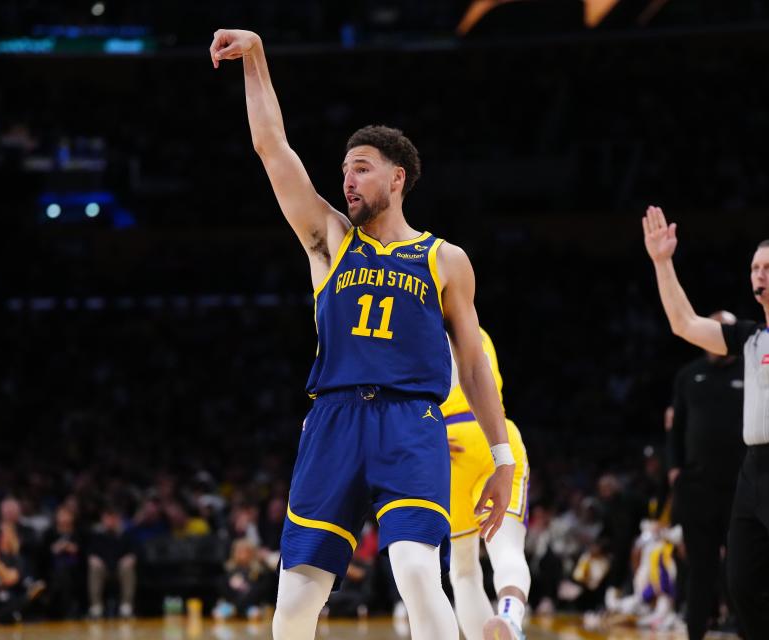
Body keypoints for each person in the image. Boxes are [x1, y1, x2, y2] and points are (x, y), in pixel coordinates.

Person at [208, 28, 515, 640]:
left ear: (398, 178)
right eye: (344, 170)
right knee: (294, 601)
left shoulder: (444, 260)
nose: (347, 181)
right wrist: (258, 57)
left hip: (411, 421)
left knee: (417, 571)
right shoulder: (330, 241)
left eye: (362, 169)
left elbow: (475, 365)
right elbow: (272, 148)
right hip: (333, 419)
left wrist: (501, 456)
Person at [642, 206, 769, 640]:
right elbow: (683, 324)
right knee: (743, 587)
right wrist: (662, 262)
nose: (760, 274)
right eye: (754, 267)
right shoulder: (749, 335)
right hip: (752, 473)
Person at [442, 328, 531, 640]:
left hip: (450, 443)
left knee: (464, 570)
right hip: (496, 437)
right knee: (507, 548)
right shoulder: (478, 331)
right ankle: (510, 613)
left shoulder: (417, 324)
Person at [667, 310, 745, 639]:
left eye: (725, 331)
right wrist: (674, 471)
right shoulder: (688, 376)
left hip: (742, 487)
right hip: (697, 488)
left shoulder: (752, 372)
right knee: (700, 568)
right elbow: (675, 427)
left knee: (742, 567)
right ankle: (695, 632)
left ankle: (745, 630)